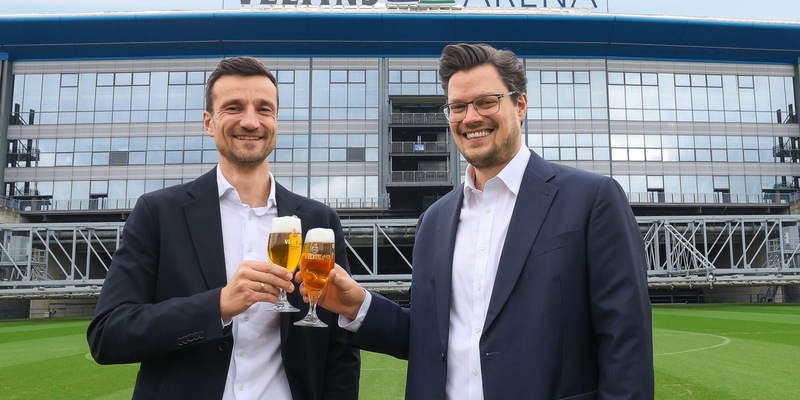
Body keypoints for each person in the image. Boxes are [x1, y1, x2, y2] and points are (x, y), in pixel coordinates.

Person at [309, 43, 654, 399]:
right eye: (457, 107)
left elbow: (626, 341)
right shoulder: (433, 221)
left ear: (520, 105)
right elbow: (430, 338)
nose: (470, 117)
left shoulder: (592, 199)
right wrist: (357, 305)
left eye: (486, 102)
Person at [87, 56, 360, 400]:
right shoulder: (158, 213)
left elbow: (342, 350)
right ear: (209, 122)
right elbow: (108, 335)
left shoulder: (318, 222)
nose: (250, 121)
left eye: (264, 109)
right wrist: (217, 306)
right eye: (233, 107)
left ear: (276, 121)